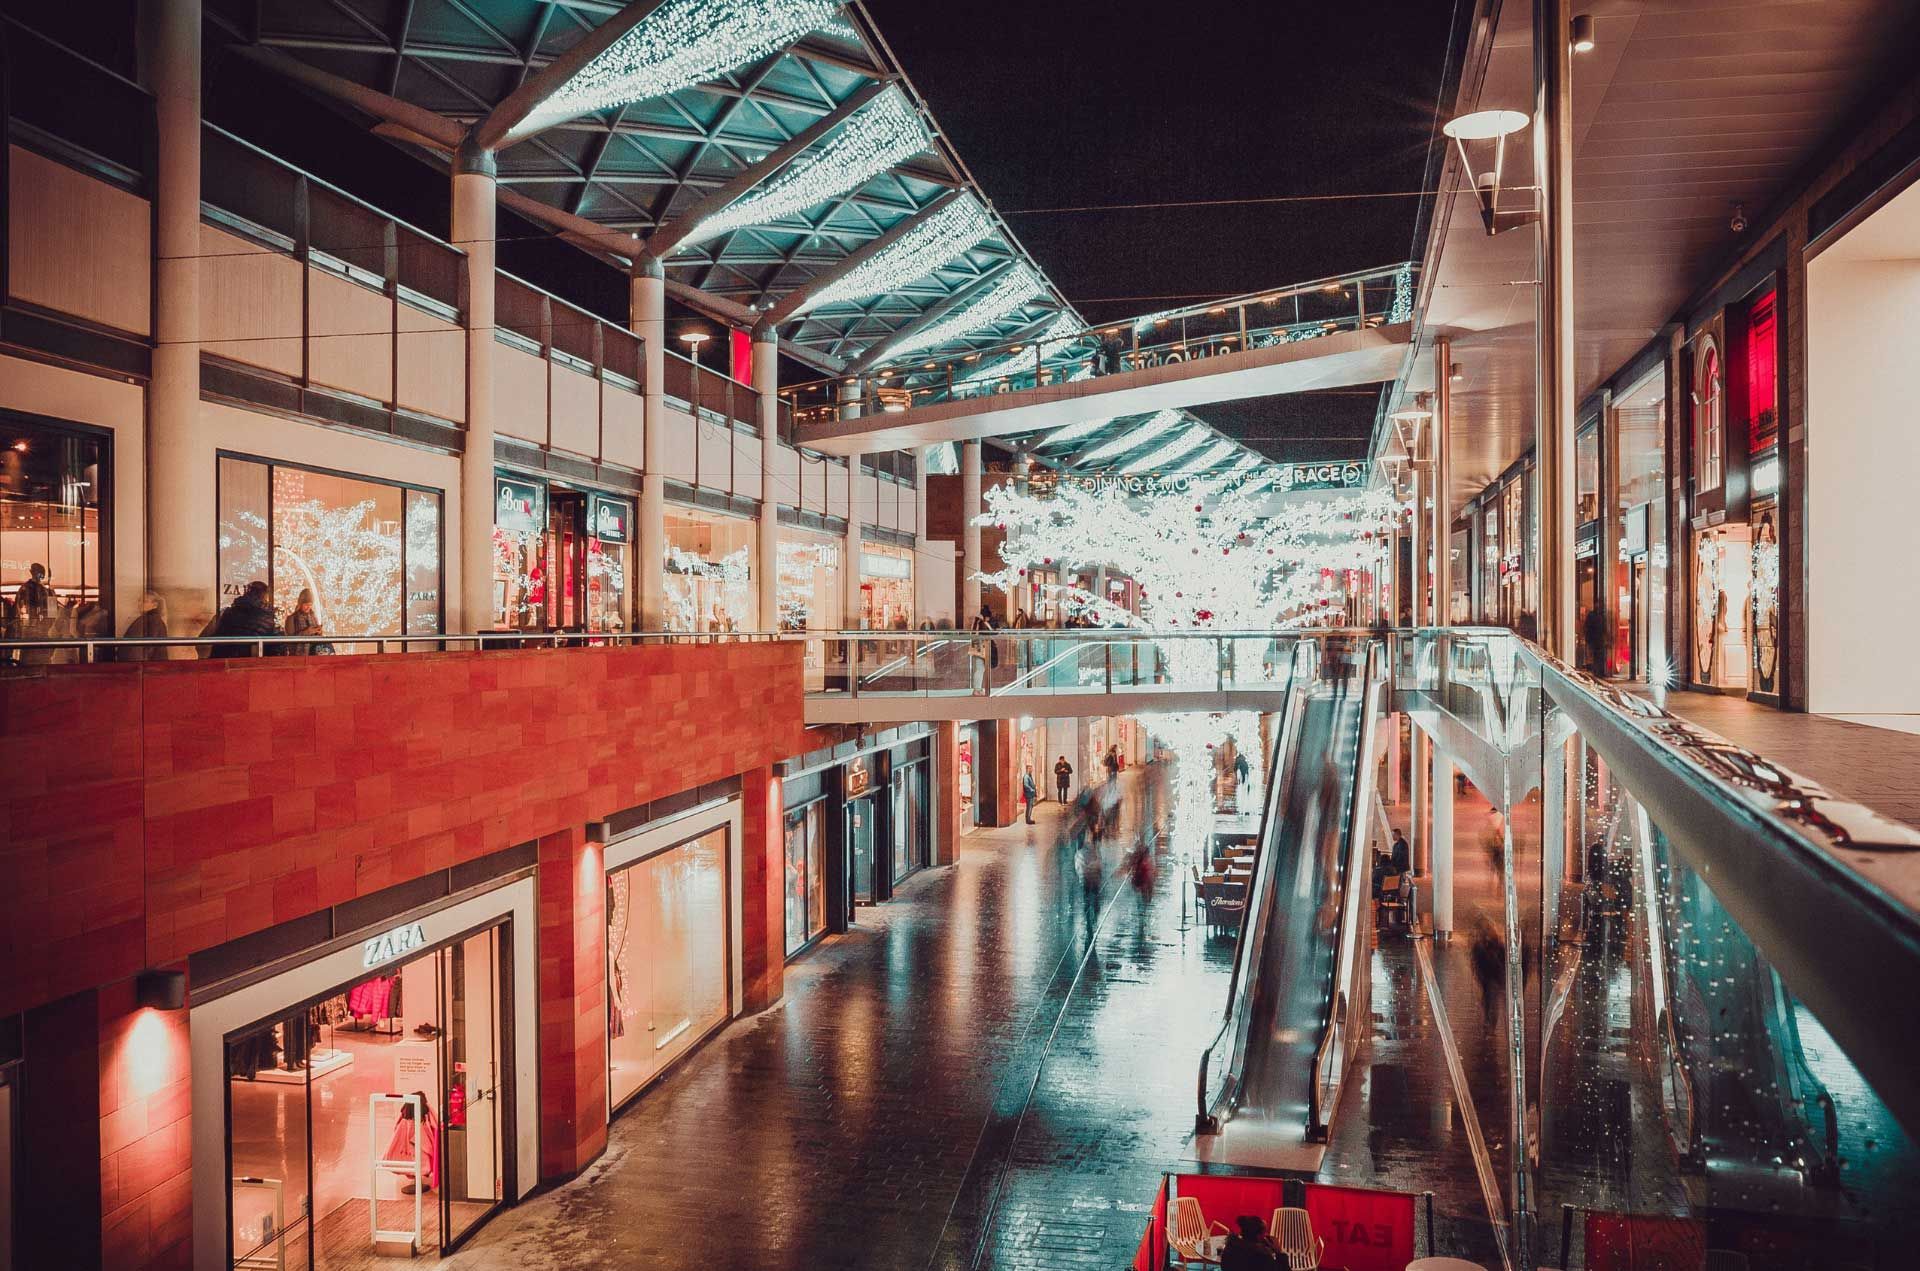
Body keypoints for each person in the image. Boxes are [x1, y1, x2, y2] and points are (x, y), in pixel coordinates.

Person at [210, 580, 280, 657]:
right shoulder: (268, 616)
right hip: (256, 661)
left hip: (226, 657)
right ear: (264, 595)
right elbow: (278, 643)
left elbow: (218, 636)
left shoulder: (230, 612)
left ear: (247, 593)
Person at [1468, 913, 1507, 1028]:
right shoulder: (1484, 945)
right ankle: (1489, 1020)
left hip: (1492, 976)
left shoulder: (1493, 944)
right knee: (1488, 998)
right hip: (1489, 976)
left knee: (1490, 998)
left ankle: (1490, 1022)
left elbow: (1499, 959)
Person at [119, 591, 171, 662]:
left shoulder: (152, 620)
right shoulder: (150, 619)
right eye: (139, 600)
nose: (140, 604)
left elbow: (150, 646)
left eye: (145, 601)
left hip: (147, 666)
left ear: (155, 605)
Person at [12, 563, 51, 637]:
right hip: (29, 625)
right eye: (39, 573)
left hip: (39, 626)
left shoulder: (43, 590)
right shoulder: (25, 589)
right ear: (32, 573)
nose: (41, 576)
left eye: (42, 574)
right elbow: (18, 607)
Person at [284, 588, 326, 654]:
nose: (308, 607)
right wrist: (307, 632)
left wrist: (318, 632)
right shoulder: (291, 619)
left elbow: (317, 638)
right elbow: (290, 642)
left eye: (310, 605)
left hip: (313, 655)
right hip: (298, 657)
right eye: (306, 605)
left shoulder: (313, 617)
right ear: (300, 603)